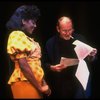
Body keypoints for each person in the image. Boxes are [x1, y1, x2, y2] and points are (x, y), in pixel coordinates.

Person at [43, 16, 97, 99]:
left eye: (70, 30)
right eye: (64, 31)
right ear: (58, 29)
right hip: (60, 84)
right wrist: (52, 67)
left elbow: (90, 60)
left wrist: (91, 56)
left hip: (79, 82)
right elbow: (44, 63)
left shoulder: (80, 39)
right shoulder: (51, 43)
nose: (68, 33)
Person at [6, 5, 51, 99]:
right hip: (24, 82)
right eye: (33, 22)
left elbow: (36, 65)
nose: (35, 25)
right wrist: (40, 88)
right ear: (23, 21)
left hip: (34, 83)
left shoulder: (28, 39)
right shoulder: (16, 34)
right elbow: (23, 65)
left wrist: (43, 84)